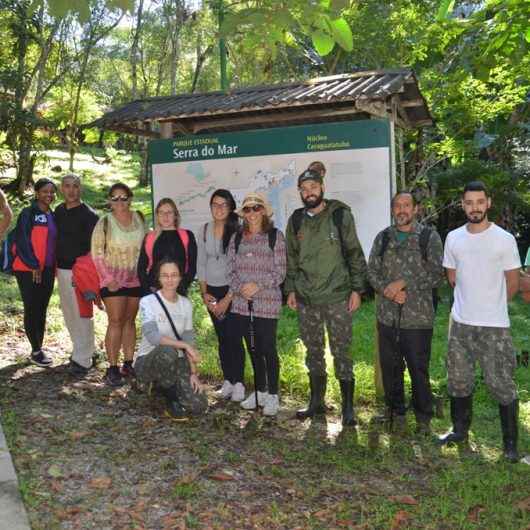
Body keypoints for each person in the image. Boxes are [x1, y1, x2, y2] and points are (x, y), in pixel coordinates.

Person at [439, 181, 521, 463]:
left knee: (501, 383)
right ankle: (460, 431)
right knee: (459, 380)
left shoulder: (504, 239)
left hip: (494, 326)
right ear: (463, 205)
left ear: (488, 203)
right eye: (469, 202)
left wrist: (492, 306)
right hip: (461, 324)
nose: (475, 207)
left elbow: (512, 282)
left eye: (479, 202)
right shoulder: (453, 238)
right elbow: (452, 277)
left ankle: (510, 445)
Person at [285, 165, 367, 426]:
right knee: (313, 352)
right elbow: (291, 259)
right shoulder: (296, 220)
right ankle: (316, 403)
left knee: (342, 351)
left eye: (313, 187)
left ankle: (348, 409)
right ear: (300, 192)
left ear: (322, 188)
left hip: (337, 297)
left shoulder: (340, 215)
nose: (309, 192)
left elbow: (354, 252)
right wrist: (290, 290)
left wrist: (357, 289)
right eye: (304, 189)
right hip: (307, 298)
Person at [367, 191, 444, 433]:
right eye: (397, 206)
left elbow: (436, 273)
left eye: (406, 205)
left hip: (417, 318)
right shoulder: (383, 238)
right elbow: (371, 272)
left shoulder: (428, 237)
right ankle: (395, 411)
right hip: (387, 316)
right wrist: (388, 291)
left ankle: (423, 417)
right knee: (390, 368)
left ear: (415, 209)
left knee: (418, 369)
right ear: (393, 210)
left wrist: (403, 282)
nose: (402, 210)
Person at [227, 192, 286, 416]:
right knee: (252, 348)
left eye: (256, 208)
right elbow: (230, 270)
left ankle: (273, 395)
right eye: (248, 209)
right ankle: (260, 391)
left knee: (268, 349)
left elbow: (280, 272)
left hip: (267, 304)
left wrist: (257, 286)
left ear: (263, 211)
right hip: (243, 305)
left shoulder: (275, 237)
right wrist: (241, 288)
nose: (252, 213)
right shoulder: (237, 238)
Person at [135, 259, 207, 418]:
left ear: (180, 277)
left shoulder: (185, 304)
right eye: (165, 275)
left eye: (174, 275)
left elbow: (189, 339)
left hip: (177, 361)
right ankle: (169, 397)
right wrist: (183, 345)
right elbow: (153, 337)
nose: (170, 279)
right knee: (168, 351)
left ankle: (163, 385)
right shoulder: (148, 302)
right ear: (159, 278)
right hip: (148, 361)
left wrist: (193, 372)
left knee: (199, 405)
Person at [91, 182, 146, 386]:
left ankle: (128, 363)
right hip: (112, 280)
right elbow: (96, 254)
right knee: (115, 321)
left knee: (130, 321)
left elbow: (146, 246)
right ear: (109, 201)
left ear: (130, 199)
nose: (120, 202)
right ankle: (112, 368)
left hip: (136, 279)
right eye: (115, 198)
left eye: (124, 198)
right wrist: (107, 279)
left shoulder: (139, 218)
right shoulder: (104, 222)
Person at [197, 189, 245, 401]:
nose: (219, 208)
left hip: (232, 291)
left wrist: (228, 298)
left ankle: (239, 383)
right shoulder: (205, 229)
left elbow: (241, 268)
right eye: (215, 204)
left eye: (223, 204)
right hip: (212, 291)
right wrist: (204, 293)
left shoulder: (238, 231)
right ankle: (228, 380)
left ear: (231, 207)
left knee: (234, 337)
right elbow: (201, 262)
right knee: (222, 337)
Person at [54, 174, 99, 376]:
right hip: (61, 269)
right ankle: (84, 350)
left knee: (82, 314)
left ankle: (84, 360)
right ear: (61, 189)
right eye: (67, 186)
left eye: (75, 186)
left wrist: (85, 273)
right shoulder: (59, 211)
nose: (71, 190)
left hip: (80, 271)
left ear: (81, 189)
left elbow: (96, 249)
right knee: (69, 314)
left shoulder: (89, 215)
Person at [12, 178, 57, 367]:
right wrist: (33, 265)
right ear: (37, 193)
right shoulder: (28, 213)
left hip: (47, 270)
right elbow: (22, 241)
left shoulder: (53, 216)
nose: (49, 195)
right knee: (32, 307)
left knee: (42, 307)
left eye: (52, 192)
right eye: (45, 191)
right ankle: (36, 350)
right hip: (28, 269)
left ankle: (38, 346)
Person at [137, 198, 197, 296]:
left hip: (179, 291)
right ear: (157, 215)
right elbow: (141, 267)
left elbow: (192, 265)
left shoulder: (187, 235)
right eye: (161, 212)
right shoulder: (150, 237)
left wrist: (182, 286)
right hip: (153, 292)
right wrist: (149, 289)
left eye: (169, 212)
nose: (165, 216)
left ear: (175, 215)